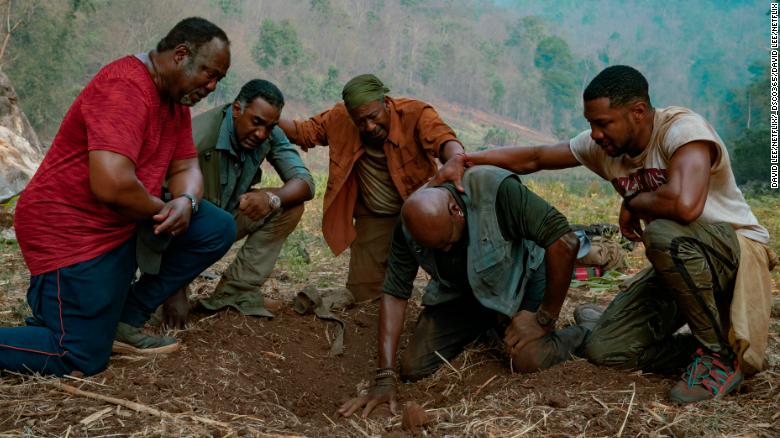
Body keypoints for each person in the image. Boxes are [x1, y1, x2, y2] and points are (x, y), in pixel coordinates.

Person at [432, 65, 775, 403]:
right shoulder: (604, 148)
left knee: (665, 236)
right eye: (590, 124)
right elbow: (535, 158)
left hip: (735, 256)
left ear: (638, 112)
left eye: (603, 123)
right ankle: (709, 350)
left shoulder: (683, 131)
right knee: (606, 349)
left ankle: (718, 357)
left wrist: (635, 201)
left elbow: (686, 206)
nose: (595, 133)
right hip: (681, 270)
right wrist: (465, 159)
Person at [0, 17, 235, 376]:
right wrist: (163, 210)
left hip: (120, 223)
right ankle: (69, 321)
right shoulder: (125, 87)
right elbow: (111, 185)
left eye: (219, 78)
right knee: (78, 355)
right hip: (70, 229)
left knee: (214, 227)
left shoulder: (175, 103)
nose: (212, 86)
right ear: (181, 55)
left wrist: (185, 202)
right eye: (209, 73)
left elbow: (187, 167)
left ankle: (125, 320)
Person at [338, 165, 586, 418]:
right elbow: (395, 292)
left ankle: (585, 332)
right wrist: (385, 377)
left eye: (447, 243)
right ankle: (491, 324)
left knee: (527, 360)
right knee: (414, 367)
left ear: (455, 210)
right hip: (464, 293)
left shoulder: (495, 190)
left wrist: (543, 318)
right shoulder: (409, 224)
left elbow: (565, 242)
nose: (445, 251)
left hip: (523, 282)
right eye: (435, 248)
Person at [279, 74, 465, 302]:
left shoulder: (416, 114)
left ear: (386, 103)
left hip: (422, 211)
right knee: (362, 296)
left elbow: (443, 139)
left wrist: (456, 158)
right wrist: (267, 117)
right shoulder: (340, 118)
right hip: (375, 217)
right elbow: (303, 132)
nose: (369, 126)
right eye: (361, 121)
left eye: (374, 117)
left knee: (455, 281)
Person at [161, 79, 314, 325]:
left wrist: (271, 198)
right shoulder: (198, 139)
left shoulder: (269, 133)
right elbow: (164, 214)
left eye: (269, 126)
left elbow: (305, 182)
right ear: (236, 110)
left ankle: (235, 292)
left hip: (222, 221)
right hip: (182, 231)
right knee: (158, 310)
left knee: (290, 204)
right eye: (256, 123)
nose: (262, 134)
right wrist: (174, 287)